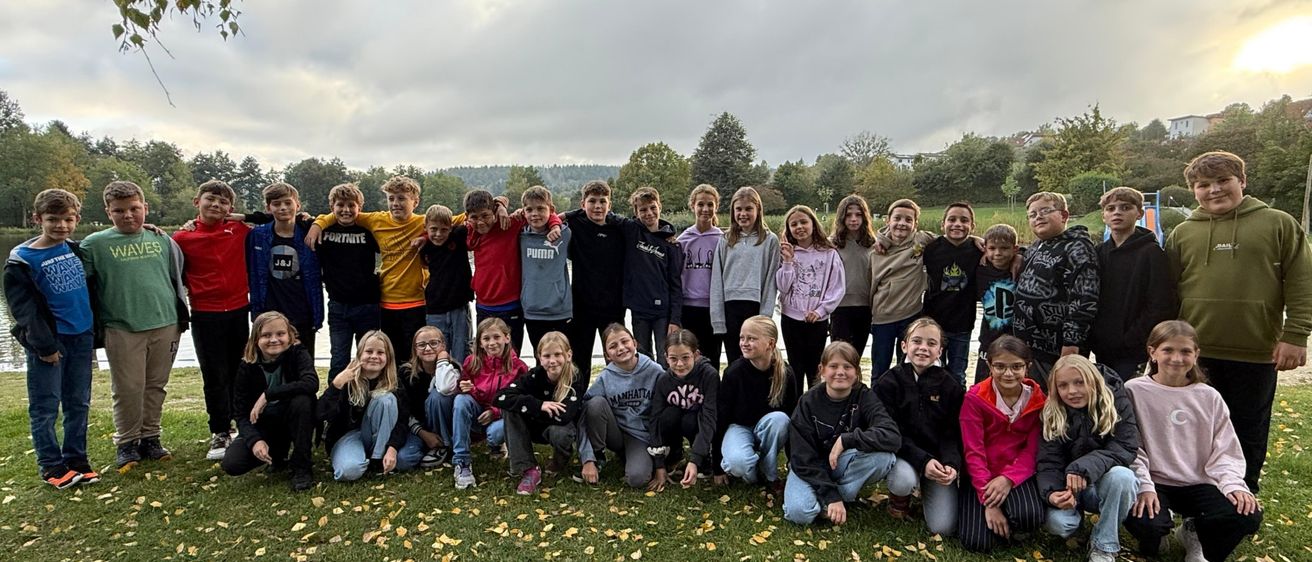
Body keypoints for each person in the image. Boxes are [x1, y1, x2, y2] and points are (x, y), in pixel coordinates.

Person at [1165, 150, 1312, 494]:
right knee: (1193, 428)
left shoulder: (1277, 223)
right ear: (1194, 190)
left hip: (1256, 351)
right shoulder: (1183, 233)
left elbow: (1302, 281)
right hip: (1194, 354)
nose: (1214, 190)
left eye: (1222, 181)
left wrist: (1296, 334)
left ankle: (1240, 495)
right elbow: (1168, 292)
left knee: (1247, 427)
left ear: (1242, 182)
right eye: (1203, 184)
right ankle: (1195, 496)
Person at [1123, 320, 1263, 562]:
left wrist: (1233, 485)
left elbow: (1225, 448)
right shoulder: (1133, 390)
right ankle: (1157, 534)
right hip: (1155, 480)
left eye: (1185, 351)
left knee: (1247, 514)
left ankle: (1195, 534)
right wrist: (1144, 485)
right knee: (1146, 522)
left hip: (1200, 481)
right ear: (1152, 352)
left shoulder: (1208, 396)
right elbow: (1131, 446)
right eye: (1168, 350)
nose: (1177, 358)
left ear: (1196, 354)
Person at [80, 181, 188, 473]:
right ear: (108, 212)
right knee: (128, 388)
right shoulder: (94, 244)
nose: (128, 215)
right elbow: (80, 284)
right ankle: (126, 442)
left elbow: (177, 276)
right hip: (122, 327)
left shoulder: (162, 240)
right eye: (119, 210)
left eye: (134, 209)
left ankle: (151, 437)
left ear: (145, 208)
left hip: (166, 323)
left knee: (155, 385)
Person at [307, 176, 465, 363]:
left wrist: (499, 204)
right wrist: (318, 224)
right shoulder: (376, 220)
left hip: (417, 302)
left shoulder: (425, 222)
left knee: (417, 358)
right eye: (391, 199)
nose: (395, 204)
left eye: (401, 198)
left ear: (415, 201)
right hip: (387, 302)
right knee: (393, 358)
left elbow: (466, 216)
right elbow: (345, 212)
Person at [4, 188, 96, 488]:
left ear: (77, 219)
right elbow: (25, 311)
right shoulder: (22, 261)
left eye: (68, 219)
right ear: (37, 219)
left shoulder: (75, 248)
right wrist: (44, 346)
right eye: (53, 219)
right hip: (51, 343)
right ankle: (51, 466)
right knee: (45, 406)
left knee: (78, 402)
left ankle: (77, 459)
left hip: (82, 337)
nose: (61, 226)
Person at [173, 179, 254, 461]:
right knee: (214, 374)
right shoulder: (181, 238)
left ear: (231, 209)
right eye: (211, 199)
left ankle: (243, 424)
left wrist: (242, 217)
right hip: (205, 313)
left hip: (238, 310)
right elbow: (171, 268)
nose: (216, 205)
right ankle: (219, 430)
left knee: (240, 371)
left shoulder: (239, 230)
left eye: (223, 202)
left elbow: (273, 217)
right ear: (197, 201)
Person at [783, 341, 900, 526]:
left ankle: (836, 499)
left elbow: (892, 436)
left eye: (847, 366)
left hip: (842, 462)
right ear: (822, 370)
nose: (840, 372)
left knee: (884, 458)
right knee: (800, 513)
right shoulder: (807, 402)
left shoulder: (864, 396)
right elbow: (801, 457)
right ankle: (831, 500)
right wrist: (831, 494)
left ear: (856, 372)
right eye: (833, 366)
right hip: (810, 467)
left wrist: (847, 440)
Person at [1038, 355, 1140, 562]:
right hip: (1069, 487)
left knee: (1123, 477)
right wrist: (1052, 494)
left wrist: (1082, 467)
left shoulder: (1115, 401)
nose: (1072, 391)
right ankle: (1077, 525)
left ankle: (1104, 543)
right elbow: (1048, 461)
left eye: (1079, 382)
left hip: (1103, 483)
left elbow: (1125, 445)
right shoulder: (1052, 411)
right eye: (1063, 386)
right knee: (1057, 525)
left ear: (1093, 380)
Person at [957, 335, 1047, 552]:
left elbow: (1033, 449)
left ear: (1028, 367)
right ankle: (994, 515)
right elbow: (973, 451)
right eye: (1000, 366)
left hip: (1016, 473)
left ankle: (1013, 517)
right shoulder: (975, 399)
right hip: (981, 475)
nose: (1008, 373)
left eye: (1017, 366)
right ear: (989, 366)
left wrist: (1008, 479)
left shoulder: (1038, 400)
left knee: (1029, 516)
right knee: (976, 543)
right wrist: (989, 502)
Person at [877, 318, 964, 536]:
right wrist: (923, 461)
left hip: (938, 461)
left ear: (940, 350)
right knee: (903, 480)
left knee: (942, 527)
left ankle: (928, 490)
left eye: (931, 343)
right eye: (917, 341)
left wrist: (952, 464)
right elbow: (891, 433)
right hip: (905, 456)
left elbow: (952, 433)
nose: (923, 348)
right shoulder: (889, 383)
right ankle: (899, 501)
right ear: (904, 345)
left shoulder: (951, 386)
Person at [221, 312, 318, 491]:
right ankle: (277, 455)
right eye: (266, 335)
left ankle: (302, 467)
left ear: (289, 336)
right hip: (266, 425)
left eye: (280, 334)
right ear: (256, 338)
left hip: (293, 419)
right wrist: (255, 440)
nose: (274, 340)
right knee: (232, 463)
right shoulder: (247, 366)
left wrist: (268, 394)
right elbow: (240, 413)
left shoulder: (298, 353)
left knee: (303, 401)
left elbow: (311, 383)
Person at [1088, 186, 1175, 380]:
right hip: (1101, 345)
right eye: (1111, 209)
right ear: (1104, 216)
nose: (1117, 212)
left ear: (1139, 213)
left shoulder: (1152, 253)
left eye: (1125, 207)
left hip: (1133, 349)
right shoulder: (1098, 252)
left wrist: (1131, 339)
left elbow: (1160, 304)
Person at [1013, 192, 1099, 387]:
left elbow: (1085, 299)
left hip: (1058, 351)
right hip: (1029, 348)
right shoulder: (1037, 247)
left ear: (1064, 215)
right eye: (1032, 214)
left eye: (1045, 211)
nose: (1038, 217)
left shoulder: (1077, 248)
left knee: (1056, 406)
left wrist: (1071, 346)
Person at [318, 330, 422, 481]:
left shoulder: (395, 384)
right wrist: (336, 385)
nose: (374, 356)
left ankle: (377, 460)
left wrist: (392, 448)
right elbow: (320, 414)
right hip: (349, 436)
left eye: (380, 352)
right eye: (369, 351)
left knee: (385, 399)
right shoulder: (346, 380)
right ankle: (359, 458)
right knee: (349, 471)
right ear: (360, 354)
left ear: (388, 358)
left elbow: (402, 421)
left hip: (382, 437)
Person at [465, 189, 559, 357]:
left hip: (512, 305)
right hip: (483, 305)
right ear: (468, 217)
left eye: (485, 216)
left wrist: (555, 225)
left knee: (512, 356)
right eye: (475, 217)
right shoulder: (470, 231)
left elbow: (545, 212)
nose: (480, 222)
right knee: (485, 357)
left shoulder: (509, 224)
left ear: (493, 212)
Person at [440, 317, 528, 489]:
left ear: (507, 338)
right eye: (486, 339)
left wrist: (495, 412)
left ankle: (497, 445)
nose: (492, 343)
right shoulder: (471, 362)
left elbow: (519, 400)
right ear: (479, 342)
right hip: (478, 411)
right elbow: (465, 391)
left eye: (497, 337)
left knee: (494, 434)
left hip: (502, 416)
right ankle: (462, 462)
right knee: (461, 400)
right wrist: (465, 387)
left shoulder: (519, 367)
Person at [495, 331, 583, 495]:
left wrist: (529, 409)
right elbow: (501, 397)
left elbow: (565, 415)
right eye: (547, 356)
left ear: (568, 355)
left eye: (558, 354)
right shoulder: (535, 375)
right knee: (510, 409)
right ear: (539, 357)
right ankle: (528, 469)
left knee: (561, 433)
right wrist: (538, 405)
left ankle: (560, 458)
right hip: (534, 424)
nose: (552, 361)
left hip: (558, 427)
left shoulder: (575, 376)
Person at [579, 323, 665, 489]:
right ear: (607, 355)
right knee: (594, 404)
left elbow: (664, 413)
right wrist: (587, 458)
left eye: (625, 342)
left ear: (635, 343)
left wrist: (660, 458)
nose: (621, 348)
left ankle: (634, 457)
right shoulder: (605, 378)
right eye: (613, 346)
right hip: (615, 433)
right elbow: (584, 415)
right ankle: (598, 456)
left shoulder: (655, 371)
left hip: (641, 436)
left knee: (637, 479)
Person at [715, 315, 798, 487]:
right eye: (742, 338)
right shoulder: (734, 373)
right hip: (739, 427)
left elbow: (795, 420)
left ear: (771, 343)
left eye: (751, 338)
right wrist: (717, 467)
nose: (744, 343)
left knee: (780, 419)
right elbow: (721, 419)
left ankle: (769, 473)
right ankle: (752, 472)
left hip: (767, 429)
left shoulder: (786, 374)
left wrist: (794, 464)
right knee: (738, 464)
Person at [561, 180, 628, 378]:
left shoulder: (620, 229)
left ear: (610, 204)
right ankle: (579, 402)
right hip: (581, 305)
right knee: (580, 360)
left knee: (617, 357)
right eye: (592, 201)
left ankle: (618, 401)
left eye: (602, 201)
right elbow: (552, 219)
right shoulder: (575, 225)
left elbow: (645, 229)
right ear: (583, 204)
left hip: (613, 305)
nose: (598, 206)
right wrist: (571, 214)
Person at [776, 204, 844, 395]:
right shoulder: (786, 252)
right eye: (794, 224)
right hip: (791, 319)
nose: (799, 227)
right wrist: (788, 261)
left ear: (813, 224)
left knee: (814, 368)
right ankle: (795, 408)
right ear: (788, 229)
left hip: (817, 320)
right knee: (795, 367)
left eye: (804, 222)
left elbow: (837, 287)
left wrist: (821, 310)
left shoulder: (829, 253)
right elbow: (782, 287)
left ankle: (815, 405)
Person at [246, 182, 322, 352]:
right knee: (270, 370)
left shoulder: (310, 233)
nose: (283, 208)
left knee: (304, 367)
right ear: (268, 207)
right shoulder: (257, 236)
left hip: (303, 314)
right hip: (268, 315)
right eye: (276, 204)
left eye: (288, 203)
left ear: (298, 205)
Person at [711, 187, 781, 366]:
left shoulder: (770, 240)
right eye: (738, 209)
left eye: (748, 209)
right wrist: (718, 319)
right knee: (736, 362)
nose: (743, 214)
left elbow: (770, 281)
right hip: (730, 307)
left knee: (756, 361)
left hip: (755, 307)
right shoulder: (725, 239)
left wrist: (765, 317)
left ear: (758, 210)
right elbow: (717, 280)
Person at [317, 183, 381, 378]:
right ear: (332, 207)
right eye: (340, 205)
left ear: (359, 208)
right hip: (338, 307)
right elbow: (285, 218)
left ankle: (367, 401)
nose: (346, 210)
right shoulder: (323, 230)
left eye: (351, 205)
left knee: (370, 360)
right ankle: (335, 404)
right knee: (338, 360)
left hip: (368, 306)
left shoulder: (369, 232)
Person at [868, 199, 936, 375]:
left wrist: (974, 239)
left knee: (907, 369)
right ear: (887, 220)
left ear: (915, 224)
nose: (902, 224)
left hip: (910, 316)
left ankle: (904, 402)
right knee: (879, 368)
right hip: (882, 318)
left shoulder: (920, 240)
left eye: (908, 220)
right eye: (897, 218)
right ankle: (876, 402)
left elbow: (951, 240)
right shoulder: (875, 248)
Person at [619, 187, 683, 365]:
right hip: (639, 311)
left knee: (665, 358)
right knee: (643, 358)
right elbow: (605, 216)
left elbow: (676, 283)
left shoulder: (671, 244)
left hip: (663, 312)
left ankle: (666, 391)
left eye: (652, 207)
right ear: (636, 212)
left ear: (659, 206)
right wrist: (561, 218)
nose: (649, 213)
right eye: (643, 210)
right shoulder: (631, 230)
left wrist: (675, 319)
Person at [921, 202, 983, 383]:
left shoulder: (978, 250)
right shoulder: (931, 249)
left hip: (962, 325)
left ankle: (957, 410)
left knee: (957, 375)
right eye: (952, 219)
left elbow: (1007, 251)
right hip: (932, 324)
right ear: (943, 224)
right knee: (930, 372)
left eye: (964, 220)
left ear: (972, 226)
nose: (957, 224)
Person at [649, 330, 719, 487]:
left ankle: (703, 458)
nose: (679, 364)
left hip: (697, 422)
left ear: (696, 355)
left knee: (692, 419)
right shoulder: (664, 380)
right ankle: (675, 453)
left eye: (685, 357)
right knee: (667, 415)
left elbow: (709, 418)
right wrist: (659, 465)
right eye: (673, 358)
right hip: (675, 421)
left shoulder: (709, 375)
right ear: (666, 358)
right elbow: (654, 419)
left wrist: (695, 459)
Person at [518, 186, 572, 354]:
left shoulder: (564, 234)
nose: (535, 214)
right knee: (540, 357)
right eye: (529, 210)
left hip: (560, 310)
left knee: (563, 358)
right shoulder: (520, 236)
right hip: (532, 310)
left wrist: (555, 224)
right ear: (523, 212)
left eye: (541, 208)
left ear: (551, 209)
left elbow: (579, 214)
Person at [677, 184, 725, 368]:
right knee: (689, 357)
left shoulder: (723, 240)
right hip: (688, 308)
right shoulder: (683, 240)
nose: (706, 209)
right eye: (701, 204)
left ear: (716, 207)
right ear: (693, 206)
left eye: (710, 204)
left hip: (714, 308)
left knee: (711, 358)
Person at [398, 326, 460, 468]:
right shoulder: (406, 373)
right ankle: (428, 447)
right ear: (415, 349)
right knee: (403, 460)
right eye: (421, 345)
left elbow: (444, 387)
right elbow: (403, 410)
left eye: (434, 343)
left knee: (437, 396)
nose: (428, 348)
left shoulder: (453, 369)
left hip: (445, 425)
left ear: (443, 345)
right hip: (418, 428)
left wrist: (442, 362)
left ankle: (443, 445)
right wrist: (423, 434)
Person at [420, 204, 474, 364]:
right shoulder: (425, 246)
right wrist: (423, 237)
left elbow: (471, 218)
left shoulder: (458, 236)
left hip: (459, 306)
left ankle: (461, 383)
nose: (438, 234)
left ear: (450, 228)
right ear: (426, 228)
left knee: (462, 350)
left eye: (444, 230)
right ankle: (438, 385)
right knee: (437, 352)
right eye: (433, 229)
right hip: (435, 307)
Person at [829, 194, 876, 356]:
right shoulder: (832, 244)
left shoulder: (874, 245)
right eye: (848, 215)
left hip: (865, 308)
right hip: (839, 308)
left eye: (858, 215)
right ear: (842, 218)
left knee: (856, 357)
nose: (853, 219)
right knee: (839, 356)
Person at [975, 224, 1020, 383]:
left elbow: (1037, 252)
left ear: (1015, 249)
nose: (998, 253)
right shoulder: (979, 267)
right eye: (992, 248)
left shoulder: (1022, 268)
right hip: (988, 340)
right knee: (982, 385)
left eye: (1004, 248)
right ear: (985, 249)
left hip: (1016, 341)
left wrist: (1021, 256)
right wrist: (974, 238)